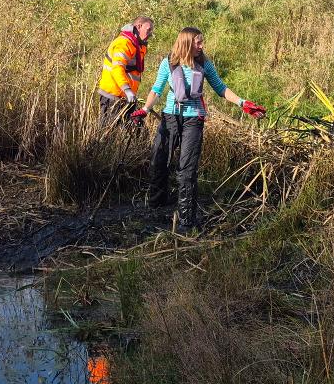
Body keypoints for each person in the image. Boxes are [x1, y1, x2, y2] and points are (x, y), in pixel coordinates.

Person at [142, 27, 265, 232]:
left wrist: (243, 103)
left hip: (193, 119)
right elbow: (156, 89)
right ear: (187, 43)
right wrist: (145, 110)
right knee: (158, 160)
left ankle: (186, 220)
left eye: (201, 42)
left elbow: (221, 88)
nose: (201, 46)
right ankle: (157, 204)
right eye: (198, 43)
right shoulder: (168, 62)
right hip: (170, 116)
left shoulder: (204, 64)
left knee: (187, 170)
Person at [97, 16, 153, 125]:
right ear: (139, 26)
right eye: (149, 29)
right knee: (109, 132)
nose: (151, 34)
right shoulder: (123, 43)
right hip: (113, 97)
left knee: (130, 131)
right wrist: (127, 89)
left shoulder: (138, 45)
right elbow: (117, 68)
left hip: (126, 97)